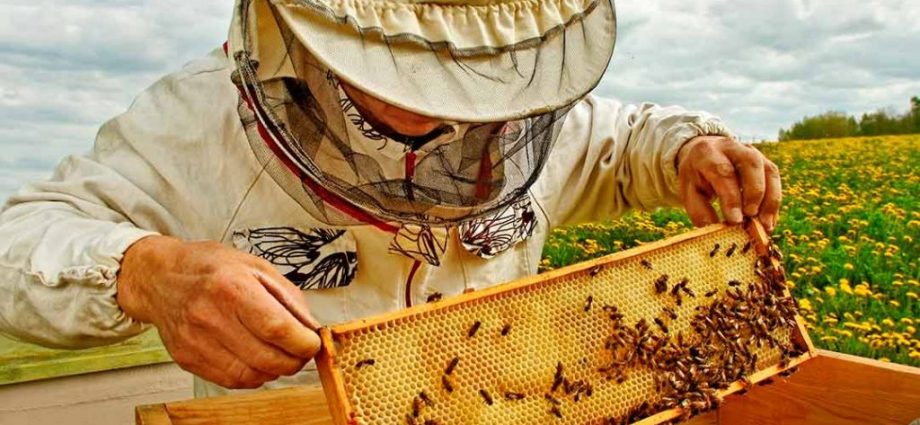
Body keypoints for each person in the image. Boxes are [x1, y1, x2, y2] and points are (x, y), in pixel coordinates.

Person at [0, 0, 781, 398]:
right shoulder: (190, 121)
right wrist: (145, 271)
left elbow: (618, 140)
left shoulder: (525, 117)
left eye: (472, 78)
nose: (450, 114)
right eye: (409, 74)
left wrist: (689, 147)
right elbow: (20, 241)